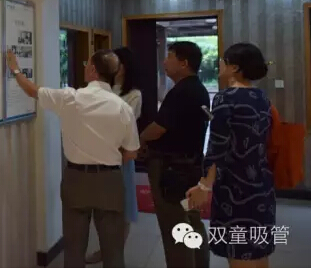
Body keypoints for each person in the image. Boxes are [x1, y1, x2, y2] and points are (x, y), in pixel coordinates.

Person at [6, 49, 140, 268]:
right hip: (110, 181)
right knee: (113, 249)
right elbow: (132, 152)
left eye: (88, 64)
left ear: (93, 70)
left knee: (74, 248)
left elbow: (32, 90)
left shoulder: (70, 98)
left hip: (76, 178)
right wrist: (108, 158)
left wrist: (15, 70)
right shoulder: (122, 107)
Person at [187, 43, 275, 268]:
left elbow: (217, 147)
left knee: (238, 252)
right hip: (261, 184)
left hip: (234, 188)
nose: (220, 65)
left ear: (234, 67)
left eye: (223, 62)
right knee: (257, 249)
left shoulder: (225, 98)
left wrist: (204, 185)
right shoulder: (262, 97)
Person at [139, 41, 211, 268]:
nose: (164, 61)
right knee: (191, 220)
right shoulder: (198, 89)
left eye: (169, 56)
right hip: (191, 166)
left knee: (175, 226)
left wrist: (141, 138)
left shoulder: (181, 92)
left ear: (183, 63)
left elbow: (159, 128)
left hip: (171, 169)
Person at [86, 47, 141, 264]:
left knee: (122, 208)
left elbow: (124, 126)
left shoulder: (133, 94)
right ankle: (105, 249)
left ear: (123, 67)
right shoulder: (100, 90)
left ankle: (115, 252)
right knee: (101, 208)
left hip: (120, 156)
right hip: (97, 156)